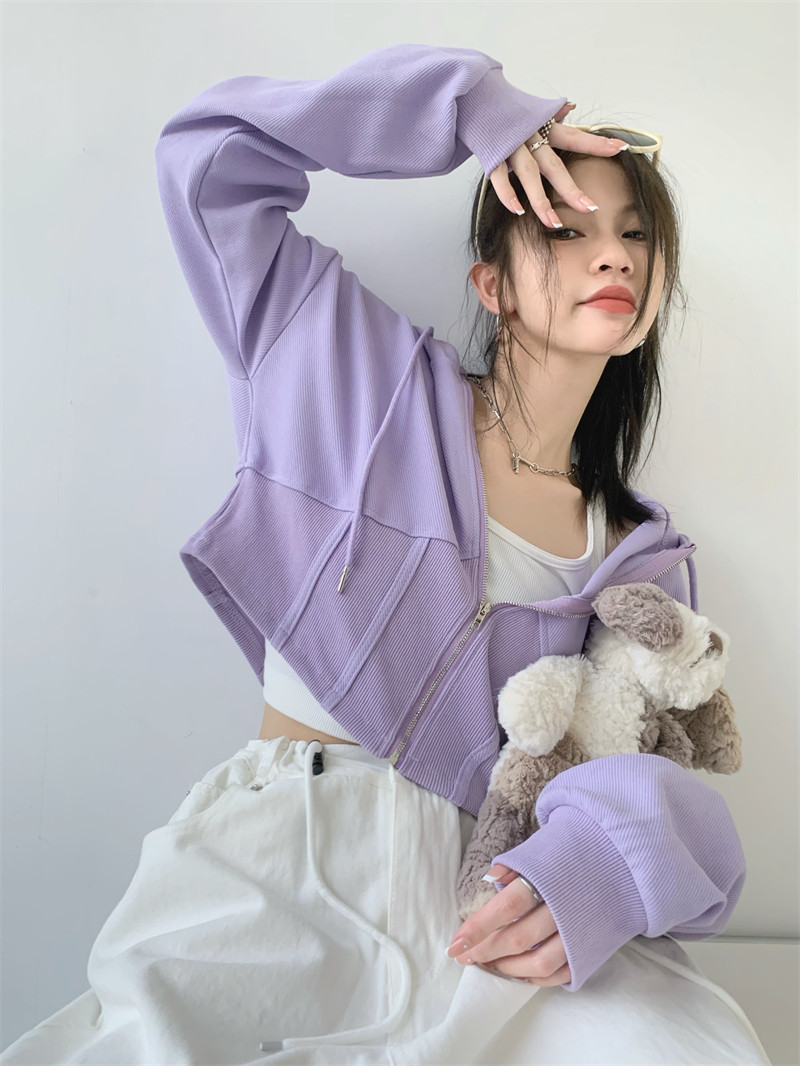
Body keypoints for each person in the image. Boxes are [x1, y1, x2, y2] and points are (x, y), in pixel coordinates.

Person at [2, 43, 771, 1066]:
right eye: (567, 227)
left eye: (635, 234)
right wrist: (466, 109)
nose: (614, 256)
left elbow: (652, 777)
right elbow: (208, 157)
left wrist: (594, 866)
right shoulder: (350, 376)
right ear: (490, 284)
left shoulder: (634, 552)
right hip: (284, 852)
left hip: (487, 895)